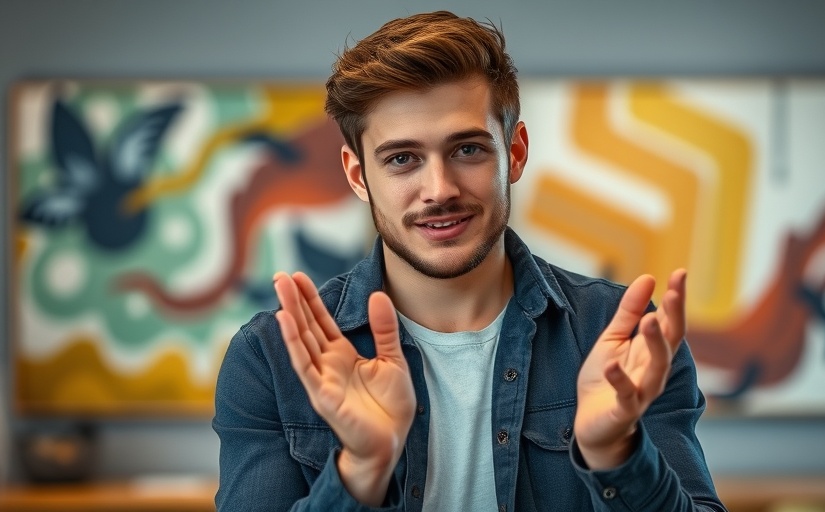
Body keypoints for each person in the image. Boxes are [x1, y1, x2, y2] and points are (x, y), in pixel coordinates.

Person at [214, 10, 727, 512]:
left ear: (515, 152)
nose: (439, 190)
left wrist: (617, 455)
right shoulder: (267, 361)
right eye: (401, 159)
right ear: (357, 174)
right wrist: (360, 473)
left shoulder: (621, 336)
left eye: (467, 150)